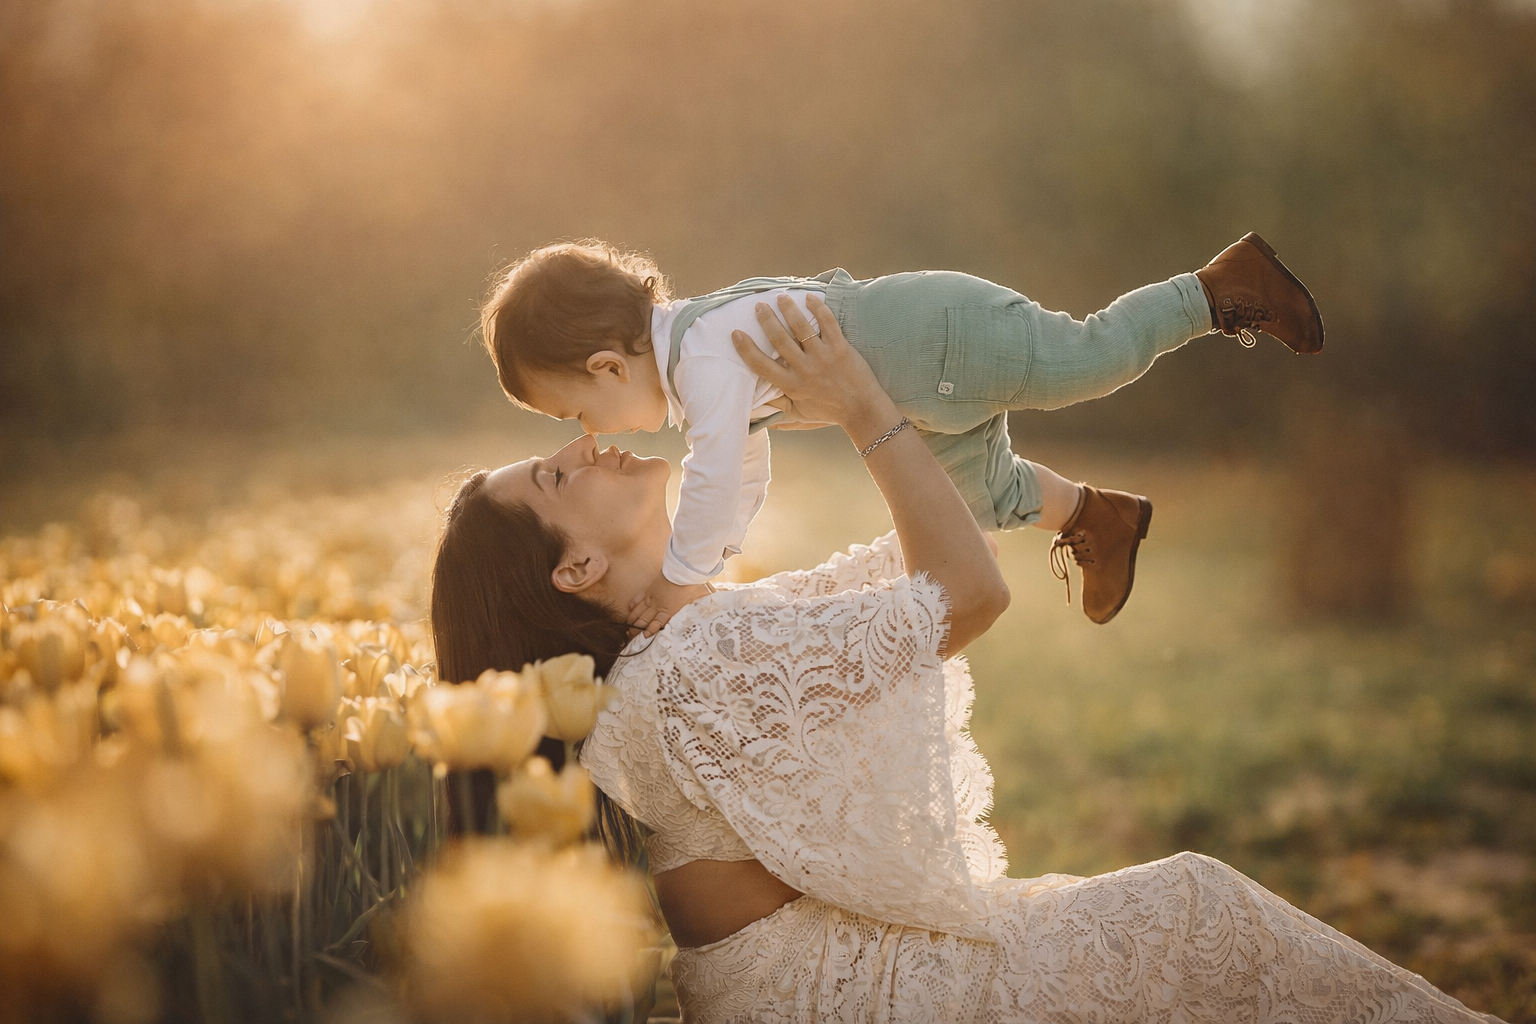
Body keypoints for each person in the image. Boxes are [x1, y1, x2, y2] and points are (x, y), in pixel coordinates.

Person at [429, 299, 1498, 1023]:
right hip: (840, 998)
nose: (590, 444)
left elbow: (926, 554)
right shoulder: (697, 658)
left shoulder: (692, 634)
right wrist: (860, 405)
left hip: (831, 976)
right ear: (572, 569)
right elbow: (967, 594)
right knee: (1194, 910)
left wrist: (889, 402)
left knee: (1187, 914)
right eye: (558, 477)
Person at [478, 233, 1324, 632]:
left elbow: (712, 470)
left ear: (605, 366)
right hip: (919, 393)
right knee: (976, 498)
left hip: (939, 333)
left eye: (574, 415)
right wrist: (715, 562)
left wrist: (679, 581)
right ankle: (1096, 517)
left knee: (1084, 360)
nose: (587, 437)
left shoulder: (702, 355)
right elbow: (744, 476)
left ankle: (1213, 289)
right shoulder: (704, 376)